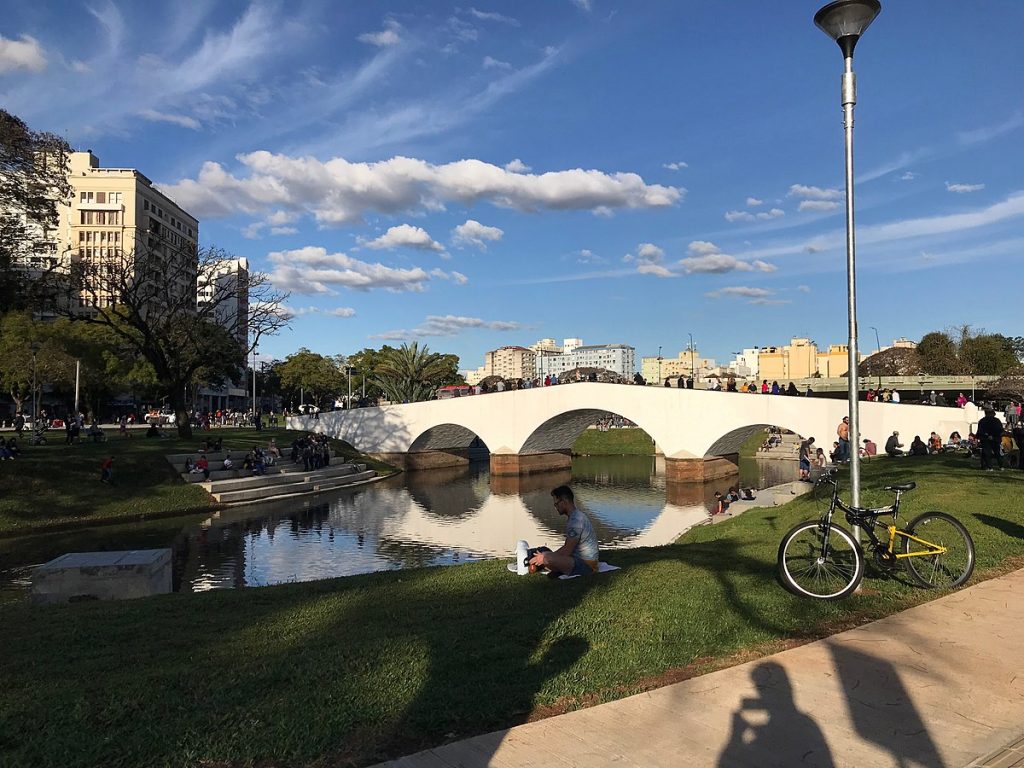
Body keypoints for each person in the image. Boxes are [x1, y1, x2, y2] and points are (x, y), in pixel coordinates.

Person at [528, 486, 599, 576]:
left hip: (586, 565)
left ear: (565, 501)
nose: (556, 507)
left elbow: (567, 551)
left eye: (556, 504)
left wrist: (546, 557)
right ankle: (551, 565)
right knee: (545, 552)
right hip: (577, 559)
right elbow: (567, 548)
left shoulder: (576, 521)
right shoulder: (575, 517)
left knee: (547, 558)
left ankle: (549, 566)